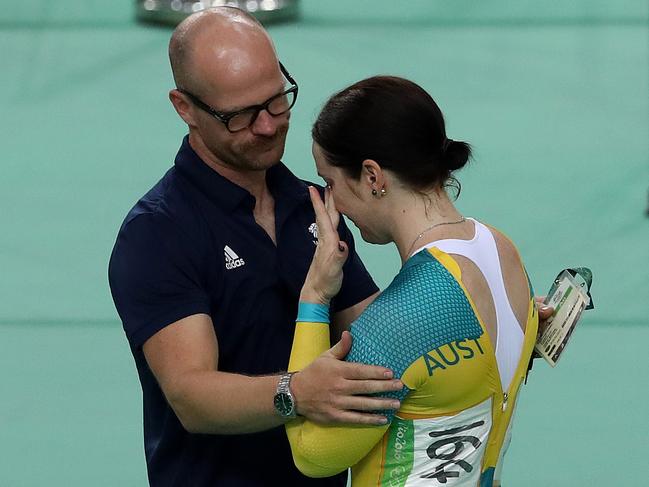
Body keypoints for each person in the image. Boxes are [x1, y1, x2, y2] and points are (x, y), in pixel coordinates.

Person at [107, 7, 405, 487]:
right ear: (185, 108)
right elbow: (192, 396)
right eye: (241, 115)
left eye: (276, 101)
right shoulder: (157, 233)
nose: (268, 126)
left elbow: (376, 331)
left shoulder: (312, 205)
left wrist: (488, 313)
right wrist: (296, 393)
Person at [285, 76, 540, 487]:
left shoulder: (401, 322)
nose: (331, 204)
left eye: (330, 183)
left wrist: (314, 295)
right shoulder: (504, 252)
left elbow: (312, 454)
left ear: (372, 175)